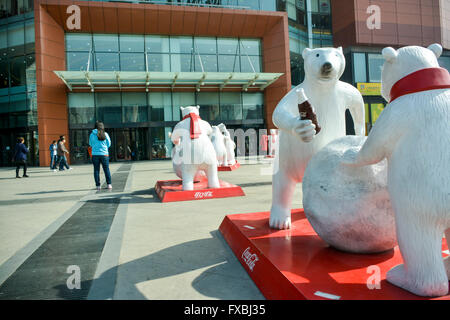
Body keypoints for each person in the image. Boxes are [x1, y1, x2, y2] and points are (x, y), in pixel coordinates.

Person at [89, 121, 112, 190]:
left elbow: (90, 144)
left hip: (95, 154)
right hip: (104, 154)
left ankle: (98, 186)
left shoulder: (92, 134)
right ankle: (109, 184)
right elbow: (109, 144)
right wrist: (104, 148)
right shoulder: (105, 134)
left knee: (96, 170)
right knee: (106, 169)